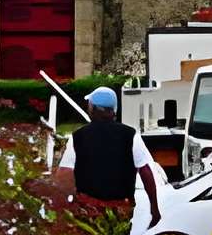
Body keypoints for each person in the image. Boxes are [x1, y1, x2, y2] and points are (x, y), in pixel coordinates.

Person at [69, 86, 162, 226]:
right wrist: (154, 209)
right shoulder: (131, 135)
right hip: (122, 208)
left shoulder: (77, 137)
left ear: (92, 109)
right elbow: (145, 171)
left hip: (88, 209)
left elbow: (64, 173)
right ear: (114, 110)